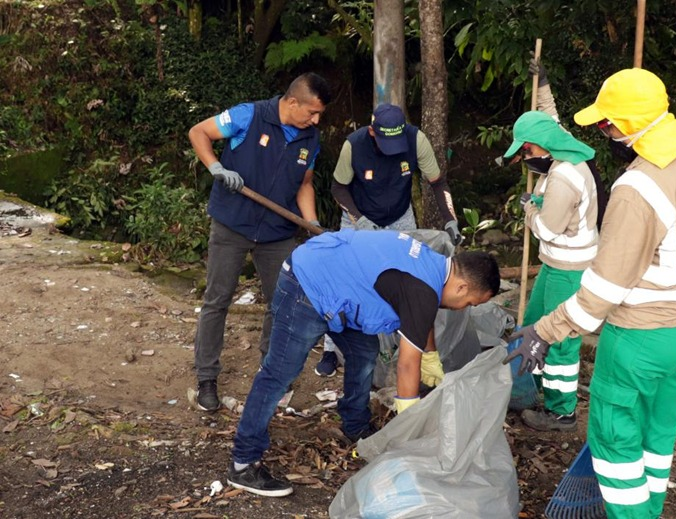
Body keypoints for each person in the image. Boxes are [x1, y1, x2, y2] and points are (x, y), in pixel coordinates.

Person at [504, 68, 676, 518]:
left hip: (645, 337)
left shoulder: (637, 187)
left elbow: (604, 288)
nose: (603, 133)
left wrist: (545, 331)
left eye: (606, 124)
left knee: (613, 441)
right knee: (656, 436)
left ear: (626, 127)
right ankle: (649, 509)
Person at [226, 229, 500, 497]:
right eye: (470, 303)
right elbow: (406, 365)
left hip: (337, 284)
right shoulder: (423, 288)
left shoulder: (434, 266)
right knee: (280, 373)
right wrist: (409, 425)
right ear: (462, 286)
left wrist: (430, 356)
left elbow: (420, 316)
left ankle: (354, 424)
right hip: (308, 284)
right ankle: (243, 463)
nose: (465, 308)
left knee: (364, 351)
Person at [188, 72, 331, 413]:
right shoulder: (248, 115)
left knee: (281, 302)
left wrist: (310, 222)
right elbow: (199, 132)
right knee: (217, 300)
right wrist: (216, 168)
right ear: (292, 102)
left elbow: (305, 183)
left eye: (319, 115)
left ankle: (273, 372)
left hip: (277, 232)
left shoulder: (310, 139)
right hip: (232, 223)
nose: (315, 120)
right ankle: (206, 379)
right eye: (311, 112)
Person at [314, 103, 462, 377]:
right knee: (345, 277)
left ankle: (404, 344)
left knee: (410, 279)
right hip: (359, 217)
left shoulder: (416, 140)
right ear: (372, 132)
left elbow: (437, 182)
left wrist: (449, 218)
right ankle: (330, 349)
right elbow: (338, 188)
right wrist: (359, 219)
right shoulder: (354, 145)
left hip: (400, 216)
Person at [502, 73, 601, 431]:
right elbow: (551, 118)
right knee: (532, 325)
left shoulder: (563, 177)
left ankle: (561, 411)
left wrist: (529, 206)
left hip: (570, 267)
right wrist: (542, 85)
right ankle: (533, 387)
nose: (527, 158)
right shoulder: (563, 147)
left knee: (559, 339)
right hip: (554, 263)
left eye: (527, 151)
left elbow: (546, 228)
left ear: (542, 146)